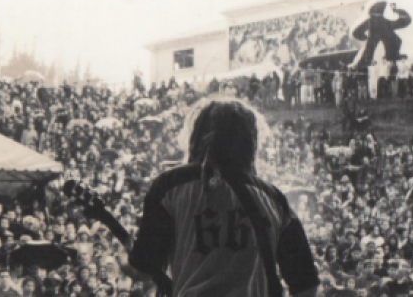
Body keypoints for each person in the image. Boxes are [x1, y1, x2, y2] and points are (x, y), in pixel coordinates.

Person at [129, 97, 320, 297]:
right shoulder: (273, 199)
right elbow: (307, 285)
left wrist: (123, 255)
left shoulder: (169, 186)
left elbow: (142, 271)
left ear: (197, 135)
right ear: (250, 142)